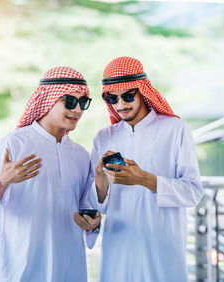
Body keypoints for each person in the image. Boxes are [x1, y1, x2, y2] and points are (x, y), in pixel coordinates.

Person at [0, 66, 101, 282]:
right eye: (70, 101)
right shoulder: (14, 143)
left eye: (83, 102)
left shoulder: (80, 155)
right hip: (20, 265)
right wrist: (2, 180)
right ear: (47, 100)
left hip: (67, 263)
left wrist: (94, 224)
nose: (77, 109)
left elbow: (86, 208)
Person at [91, 57, 204, 282]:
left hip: (161, 249)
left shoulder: (175, 129)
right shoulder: (104, 138)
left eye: (128, 96)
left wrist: (144, 179)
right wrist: (100, 180)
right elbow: (97, 207)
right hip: (118, 250)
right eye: (112, 98)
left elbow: (193, 193)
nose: (120, 104)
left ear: (143, 90)